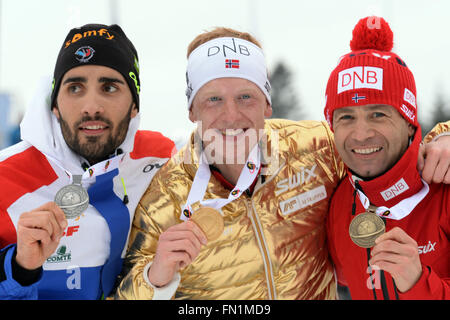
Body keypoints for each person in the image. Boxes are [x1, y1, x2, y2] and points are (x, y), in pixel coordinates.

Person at [113, 27, 450, 300]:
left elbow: (386, 148)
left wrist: (444, 136)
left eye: (246, 96)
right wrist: (155, 278)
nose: (231, 115)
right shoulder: (165, 193)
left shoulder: (316, 148)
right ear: (192, 111)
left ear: (267, 104)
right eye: (213, 99)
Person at [0, 24, 175, 299]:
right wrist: (20, 267)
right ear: (54, 103)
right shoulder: (5, 176)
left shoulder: (165, 159)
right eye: (75, 87)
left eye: (109, 87)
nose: (91, 106)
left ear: (134, 105)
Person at [325, 17, 449, 299]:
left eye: (378, 114)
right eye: (346, 117)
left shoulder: (445, 189)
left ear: (408, 121)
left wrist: (418, 283)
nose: (360, 134)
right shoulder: (339, 203)